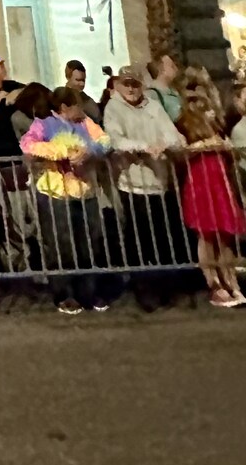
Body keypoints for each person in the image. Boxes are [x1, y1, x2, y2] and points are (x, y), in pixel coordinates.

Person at [20, 85, 113, 314]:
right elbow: (28, 144)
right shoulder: (44, 123)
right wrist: (60, 151)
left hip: (84, 191)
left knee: (89, 243)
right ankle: (64, 294)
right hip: (55, 193)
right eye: (77, 104)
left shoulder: (85, 123)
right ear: (64, 107)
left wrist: (88, 151)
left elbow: (105, 141)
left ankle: (89, 292)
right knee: (61, 245)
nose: (82, 109)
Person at [103, 64, 187, 305]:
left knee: (162, 236)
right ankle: (143, 288)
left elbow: (173, 135)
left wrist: (163, 144)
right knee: (138, 238)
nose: (130, 88)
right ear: (118, 84)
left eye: (134, 84)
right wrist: (142, 146)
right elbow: (115, 139)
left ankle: (163, 287)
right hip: (132, 184)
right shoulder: (113, 108)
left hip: (158, 182)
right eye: (126, 83)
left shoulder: (153, 105)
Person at [177, 71, 246, 307]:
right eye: (192, 89)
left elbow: (227, 145)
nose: (197, 95)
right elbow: (181, 149)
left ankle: (230, 279)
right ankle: (213, 283)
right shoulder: (183, 120)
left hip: (219, 178)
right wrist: (205, 145)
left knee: (226, 233)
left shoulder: (216, 118)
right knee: (206, 234)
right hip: (200, 179)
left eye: (200, 89)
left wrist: (224, 146)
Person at [146, 55, 183, 123]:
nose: (176, 69)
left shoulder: (174, 91)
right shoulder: (152, 95)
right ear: (162, 70)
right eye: (172, 66)